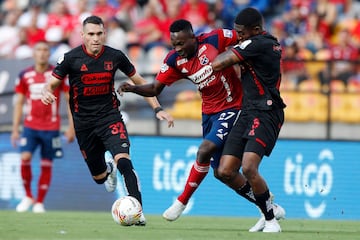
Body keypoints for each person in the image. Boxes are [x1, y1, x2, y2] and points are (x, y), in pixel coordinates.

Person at [119, 19, 285, 230]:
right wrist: (132, 89)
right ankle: (269, 207)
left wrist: (269, 42)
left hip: (234, 108)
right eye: (173, 45)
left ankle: (182, 201)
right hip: (209, 114)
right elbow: (155, 89)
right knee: (223, 173)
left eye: (181, 44)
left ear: (192, 37)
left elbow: (245, 37)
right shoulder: (174, 61)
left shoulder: (216, 38)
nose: (177, 49)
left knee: (205, 149)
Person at [41, 15, 174, 225]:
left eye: (99, 34)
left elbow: (140, 82)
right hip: (84, 125)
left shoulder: (115, 56)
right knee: (99, 178)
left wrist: (158, 108)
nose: (95, 38)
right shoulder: (70, 58)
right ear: (82, 35)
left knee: (125, 163)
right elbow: (51, 84)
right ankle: (107, 170)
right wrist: (46, 92)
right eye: (91, 34)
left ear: (105, 34)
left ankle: (138, 211)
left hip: (110, 118)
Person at [211, 7, 287, 232]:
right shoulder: (253, 44)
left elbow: (217, 63)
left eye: (241, 33)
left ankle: (271, 220)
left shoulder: (262, 43)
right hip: (248, 111)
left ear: (256, 30)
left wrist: (223, 47)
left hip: (266, 112)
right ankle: (268, 207)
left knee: (249, 168)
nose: (238, 36)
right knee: (224, 171)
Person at [11, 41, 75, 213]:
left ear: (49, 53)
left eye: (45, 50)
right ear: (34, 53)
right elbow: (18, 103)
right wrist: (15, 128)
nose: (42, 53)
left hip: (51, 127)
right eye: (38, 49)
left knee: (47, 163)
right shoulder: (24, 75)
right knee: (25, 157)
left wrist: (71, 127)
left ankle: (39, 202)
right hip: (30, 126)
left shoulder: (58, 75)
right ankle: (28, 196)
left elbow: (70, 100)